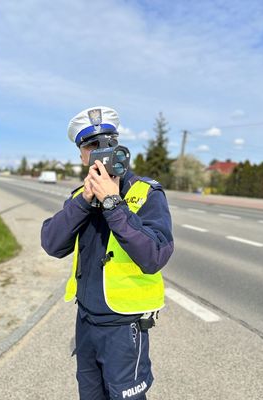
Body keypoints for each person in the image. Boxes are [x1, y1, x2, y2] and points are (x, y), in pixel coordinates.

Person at [41, 106, 174, 400]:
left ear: (119, 146)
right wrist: (86, 202)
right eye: (92, 145)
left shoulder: (145, 193)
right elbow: (52, 243)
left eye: (109, 141)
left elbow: (155, 255)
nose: (102, 150)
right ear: (81, 155)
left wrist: (114, 203)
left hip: (123, 327)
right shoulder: (80, 196)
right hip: (86, 322)